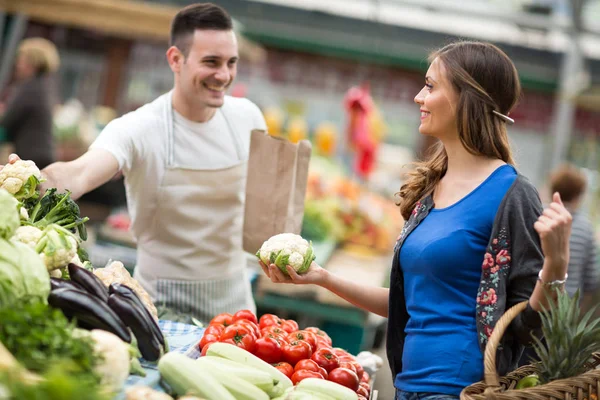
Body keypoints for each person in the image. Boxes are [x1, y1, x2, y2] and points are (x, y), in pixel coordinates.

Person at [261, 41, 572, 400]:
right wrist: (323, 279)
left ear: (467, 98)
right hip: (407, 385)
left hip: (463, 390)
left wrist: (556, 265)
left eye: (431, 85)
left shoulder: (511, 195)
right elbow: (407, 303)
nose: (418, 97)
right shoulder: (432, 188)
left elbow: (529, 326)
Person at [3, 3, 267, 322]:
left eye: (231, 63)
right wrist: (35, 181)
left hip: (237, 309)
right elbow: (83, 171)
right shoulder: (140, 128)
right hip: (160, 313)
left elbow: (264, 204)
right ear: (175, 59)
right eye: (211, 62)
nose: (223, 75)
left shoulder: (248, 117)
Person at [0, 37, 60, 169]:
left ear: (32, 62)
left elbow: (7, 121)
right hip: (41, 155)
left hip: (32, 156)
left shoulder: (30, 88)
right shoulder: (43, 85)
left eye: (21, 59)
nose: (17, 64)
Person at [548, 164, 598, 302]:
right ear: (578, 195)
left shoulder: (541, 219)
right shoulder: (585, 228)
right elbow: (592, 278)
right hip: (568, 307)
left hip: (536, 301)